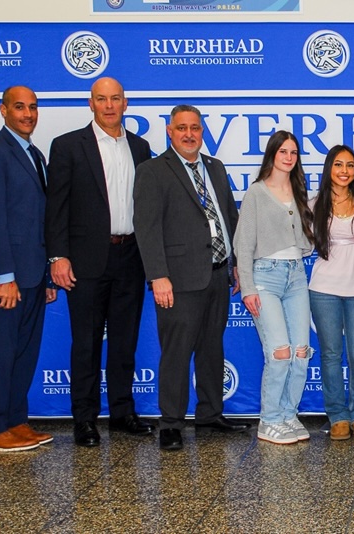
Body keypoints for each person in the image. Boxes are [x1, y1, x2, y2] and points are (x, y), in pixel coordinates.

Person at [45, 77, 154, 448]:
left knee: (125, 342)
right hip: (87, 260)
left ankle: (123, 413)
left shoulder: (141, 148)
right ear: (91, 103)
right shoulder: (67, 146)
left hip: (131, 257)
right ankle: (85, 419)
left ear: (126, 103)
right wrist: (57, 256)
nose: (109, 105)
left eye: (115, 99)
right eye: (101, 99)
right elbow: (55, 207)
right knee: (86, 343)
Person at [133, 105, 249, 451]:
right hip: (178, 279)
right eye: (181, 128)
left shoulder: (214, 167)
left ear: (202, 131)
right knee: (177, 352)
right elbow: (147, 227)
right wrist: (158, 276)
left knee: (212, 348)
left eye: (194, 128)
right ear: (170, 131)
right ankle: (171, 422)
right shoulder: (153, 171)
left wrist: (237, 263)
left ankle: (210, 414)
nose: (188, 134)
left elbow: (229, 216)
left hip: (217, 274)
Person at [0, 86, 58, 452]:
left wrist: (47, 273)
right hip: (3, 277)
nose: (28, 114)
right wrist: (4, 277)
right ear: (3, 110)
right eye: (19, 107)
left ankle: (14, 422)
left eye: (33, 107)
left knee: (22, 352)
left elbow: (39, 219)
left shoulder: (35, 154)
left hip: (33, 274)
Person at [233, 131, 314, 446]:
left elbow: (305, 242)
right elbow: (243, 245)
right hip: (265, 276)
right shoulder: (256, 192)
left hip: (296, 275)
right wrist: (248, 287)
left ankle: (287, 414)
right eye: (283, 151)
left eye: (294, 152)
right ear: (272, 154)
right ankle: (269, 420)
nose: (289, 157)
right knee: (279, 352)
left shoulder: (298, 191)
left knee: (300, 353)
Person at [309, 145, 354, 441]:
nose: (345, 171)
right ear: (329, 169)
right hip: (324, 289)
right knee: (332, 354)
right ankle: (337, 414)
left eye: (350, 165)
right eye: (338, 165)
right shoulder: (314, 203)